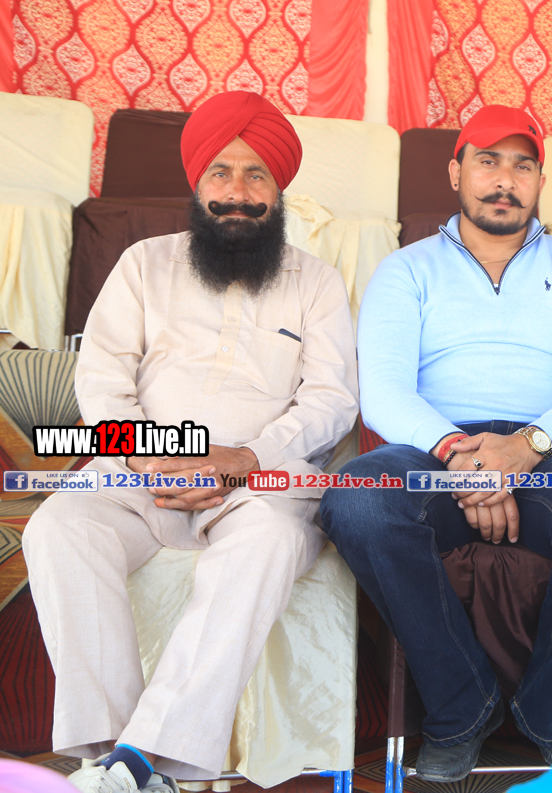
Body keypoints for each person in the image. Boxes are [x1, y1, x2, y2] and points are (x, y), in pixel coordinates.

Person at [22, 91, 359, 792]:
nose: (237, 192)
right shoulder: (144, 264)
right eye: (221, 173)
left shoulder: (318, 283)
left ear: (279, 188)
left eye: (256, 174)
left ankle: (145, 758)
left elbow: (332, 400)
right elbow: (102, 380)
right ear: (197, 183)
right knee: (58, 527)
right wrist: (149, 455)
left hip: (261, 484)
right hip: (139, 473)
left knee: (267, 542)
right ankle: (112, 756)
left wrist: (245, 460)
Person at [320, 105, 552, 783]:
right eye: (488, 161)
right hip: (435, 451)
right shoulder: (406, 270)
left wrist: (526, 446)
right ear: (455, 172)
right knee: (357, 498)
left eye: (522, 166)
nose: (505, 180)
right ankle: (461, 706)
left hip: (551, 454)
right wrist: (462, 457)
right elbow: (383, 392)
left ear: (540, 182)